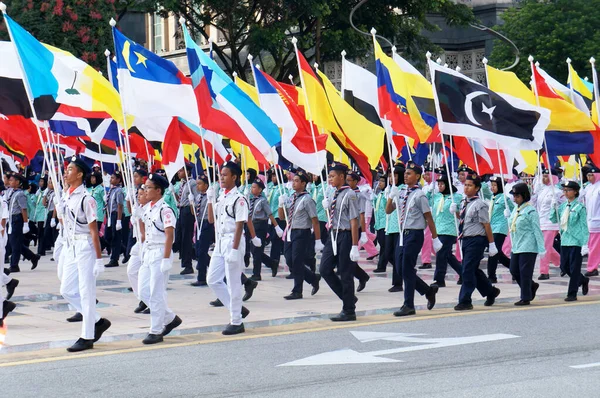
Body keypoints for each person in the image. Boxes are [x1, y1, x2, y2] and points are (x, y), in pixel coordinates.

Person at [60, 156, 111, 352]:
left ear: (80, 174)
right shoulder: (67, 195)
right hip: (72, 246)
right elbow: (70, 225)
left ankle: (87, 336)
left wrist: (98, 260)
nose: (66, 172)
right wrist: (61, 214)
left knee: (86, 292)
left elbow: (93, 231)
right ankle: (98, 321)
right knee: (66, 289)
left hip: (85, 248)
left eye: (70, 169)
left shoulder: (86, 199)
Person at [386, 161, 442, 316]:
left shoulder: (420, 195)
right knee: (400, 268)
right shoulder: (402, 192)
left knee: (407, 268)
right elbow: (388, 210)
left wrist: (435, 239)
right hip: (402, 233)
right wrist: (391, 196)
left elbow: (429, 218)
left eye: (409, 173)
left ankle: (408, 305)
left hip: (414, 234)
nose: (405, 176)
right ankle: (428, 291)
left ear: (417, 176)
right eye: (405, 173)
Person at [206, 161, 251, 335]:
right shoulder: (222, 197)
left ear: (234, 177)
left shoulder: (239, 199)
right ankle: (238, 308)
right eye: (220, 175)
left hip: (233, 240)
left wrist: (234, 249)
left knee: (233, 283)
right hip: (220, 240)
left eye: (225, 175)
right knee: (213, 279)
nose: (221, 178)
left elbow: (240, 224)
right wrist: (210, 199)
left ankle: (236, 321)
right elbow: (211, 220)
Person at [138, 173, 182, 344]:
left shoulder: (166, 210)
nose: (145, 190)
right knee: (143, 291)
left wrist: (166, 258)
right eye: (145, 187)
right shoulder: (148, 207)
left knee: (156, 293)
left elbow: (170, 235)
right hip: (148, 252)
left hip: (160, 252)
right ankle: (170, 318)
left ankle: (155, 330)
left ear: (158, 190)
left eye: (149, 187)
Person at [452, 175, 501, 311]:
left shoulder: (480, 204)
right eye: (465, 185)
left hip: (477, 239)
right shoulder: (464, 202)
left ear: (477, 188)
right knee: (473, 269)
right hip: (465, 239)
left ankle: (465, 300)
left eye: (470, 185)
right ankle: (490, 291)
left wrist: (491, 244)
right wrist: (455, 212)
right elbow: (463, 219)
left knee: (467, 270)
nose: (466, 187)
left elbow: (486, 225)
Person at [319, 162, 360, 321]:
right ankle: (348, 298)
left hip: (346, 235)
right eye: (329, 176)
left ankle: (349, 310)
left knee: (345, 273)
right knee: (324, 269)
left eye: (332, 176)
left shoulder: (350, 194)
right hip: (333, 234)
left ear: (342, 177)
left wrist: (355, 245)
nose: (330, 179)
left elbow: (354, 221)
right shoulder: (332, 193)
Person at [279, 168, 321, 299]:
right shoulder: (291, 197)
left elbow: (314, 220)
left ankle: (297, 291)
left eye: (297, 181)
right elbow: (282, 217)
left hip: (302, 232)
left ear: (303, 183)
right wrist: (281, 204)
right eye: (293, 180)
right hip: (290, 231)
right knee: (289, 260)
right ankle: (313, 278)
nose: (294, 183)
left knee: (297, 261)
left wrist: (318, 240)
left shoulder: (307, 199)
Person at [550, 181, 590, 301]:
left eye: (568, 190)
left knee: (574, 268)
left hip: (576, 241)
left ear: (575, 192)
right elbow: (553, 219)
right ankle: (582, 279)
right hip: (565, 240)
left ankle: (572, 293)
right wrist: (554, 207)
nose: (565, 192)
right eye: (564, 190)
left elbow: (584, 226)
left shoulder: (580, 207)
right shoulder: (562, 206)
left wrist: (585, 243)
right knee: (564, 267)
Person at [508, 183, 544, 305]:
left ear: (524, 195)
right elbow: (513, 225)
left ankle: (525, 297)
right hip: (517, 245)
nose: (515, 198)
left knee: (525, 273)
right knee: (514, 270)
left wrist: (541, 248)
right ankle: (531, 286)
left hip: (528, 245)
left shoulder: (531, 211)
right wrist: (507, 217)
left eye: (517, 195)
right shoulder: (515, 209)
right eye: (514, 196)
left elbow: (536, 229)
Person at [431, 172, 462, 287]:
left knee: (441, 254)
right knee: (447, 255)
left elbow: (461, 215)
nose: (439, 186)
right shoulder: (437, 196)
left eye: (442, 184)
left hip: (449, 229)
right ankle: (463, 273)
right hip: (438, 228)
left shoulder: (456, 197)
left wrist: (456, 210)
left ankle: (439, 279)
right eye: (438, 184)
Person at [532, 167, 563, 280]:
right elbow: (536, 206)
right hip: (541, 221)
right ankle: (563, 264)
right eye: (543, 176)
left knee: (544, 246)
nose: (544, 178)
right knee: (546, 246)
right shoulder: (541, 190)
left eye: (547, 176)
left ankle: (544, 271)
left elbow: (564, 206)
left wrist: (557, 204)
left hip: (551, 223)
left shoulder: (558, 192)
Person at [7, 173, 39, 272]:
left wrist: (25, 223)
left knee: (15, 244)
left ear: (18, 182)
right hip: (11, 219)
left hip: (17, 219)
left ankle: (14, 265)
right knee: (15, 243)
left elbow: (23, 209)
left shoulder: (21, 194)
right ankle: (33, 257)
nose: (10, 182)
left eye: (12, 180)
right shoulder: (12, 192)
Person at [248, 178, 279, 280]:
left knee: (257, 251)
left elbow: (270, 214)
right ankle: (272, 263)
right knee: (254, 250)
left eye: (254, 187)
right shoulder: (251, 200)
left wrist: (277, 227)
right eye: (251, 187)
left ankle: (256, 274)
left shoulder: (263, 201)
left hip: (261, 226)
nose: (252, 189)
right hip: (252, 225)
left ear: (260, 189)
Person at [346, 171, 371, 292]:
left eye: (349, 180)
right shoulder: (344, 193)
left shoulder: (359, 195)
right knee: (346, 257)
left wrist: (363, 232)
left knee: (349, 257)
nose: (347, 182)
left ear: (356, 182)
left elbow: (361, 214)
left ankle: (359, 277)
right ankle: (362, 276)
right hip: (345, 228)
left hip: (355, 228)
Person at [487, 176, 514, 283]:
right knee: (497, 253)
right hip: (491, 227)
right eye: (491, 185)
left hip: (500, 227)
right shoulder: (492, 198)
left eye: (495, 185)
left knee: (493, 251)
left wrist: (509, 214)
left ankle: (491, 276)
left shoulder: (505, 199)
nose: (492, 188)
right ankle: (514, 268)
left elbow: (514, 210)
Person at [129, 186, 150, 314]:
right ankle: (143, 299)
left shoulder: (149, 209)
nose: (139, 196)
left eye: (142, 194)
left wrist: (139, 217)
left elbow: (145, 233)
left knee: (147, 275)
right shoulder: (139, 208)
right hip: (139, 243)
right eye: (138, 194)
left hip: (147, 244)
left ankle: (150, 302)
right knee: (131, 271)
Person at [174, 164, 197, 275]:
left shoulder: (192, 183)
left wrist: (193, 204)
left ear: (187, 172)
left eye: (181, 171)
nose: (179, 173)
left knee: (186, 238)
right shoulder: (183, 184)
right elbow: (180, 199)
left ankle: (188, 264)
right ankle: (194, 255)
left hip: (188, 211)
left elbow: (196, 197)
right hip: (181, 210)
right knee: (179, 237)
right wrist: (173, 193)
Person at [191, 174, 214, 287]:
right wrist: (191, 203)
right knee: (198, 250)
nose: (197, 186)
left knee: (202, 251)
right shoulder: (197, 197)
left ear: (206, 185)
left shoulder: (211, 197)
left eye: (200, 184)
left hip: (206, 224)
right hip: (198, 223)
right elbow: (193, 212)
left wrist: (211, 199)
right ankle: (212, 266)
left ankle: (201, 278)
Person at [105, 171, 124, 267]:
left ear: (118, 180)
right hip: (109, 215)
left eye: (113, 178)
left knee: (115, 237)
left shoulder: (119, 191)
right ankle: (122, 249)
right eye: (111, 177)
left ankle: (114, 259)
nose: (111, 179)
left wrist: (119, 220)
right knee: (107, 236)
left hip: (116, 215)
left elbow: (120, 205)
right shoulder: (111, 190)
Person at [583, 166, 600, 277]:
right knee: (592, 245)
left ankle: (592, 267)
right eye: (588, 175)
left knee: (594, 246)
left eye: (591, 175)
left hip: (597, 221)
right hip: (589, 221)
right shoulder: (587, 188)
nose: (589, 178)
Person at [373, 175, 389, 273]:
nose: (380, 183)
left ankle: (382, 265)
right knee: (382, 245)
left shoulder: (387, 194)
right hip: (379, 223)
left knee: (384, 246)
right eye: (379, 181)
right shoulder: (380, 194)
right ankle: (381, 264)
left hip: (385, 224)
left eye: (382, 181)